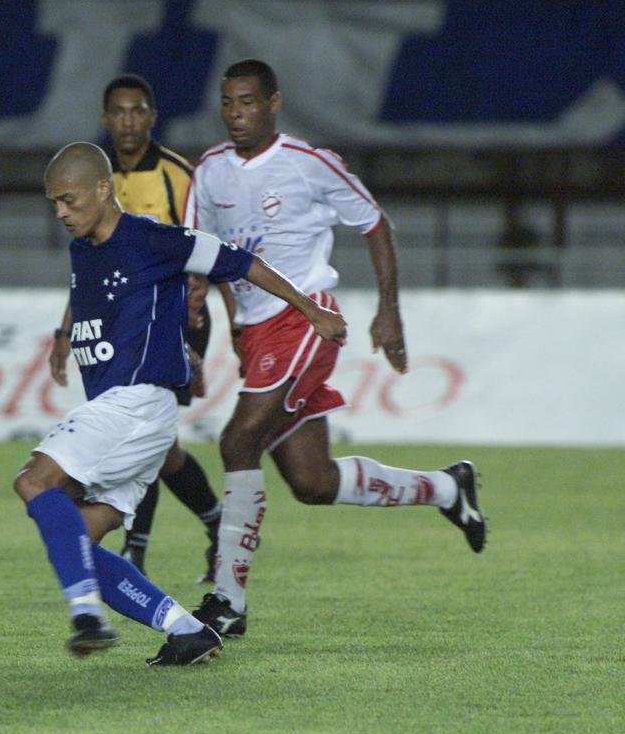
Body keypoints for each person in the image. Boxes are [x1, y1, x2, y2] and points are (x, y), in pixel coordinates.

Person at [184, 59, 488, 639]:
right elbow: (204, 251)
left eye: (247, 102)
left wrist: (388, 310)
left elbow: (374, 223)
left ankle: (227, 601)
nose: (235, 114)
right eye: (227, 103)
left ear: (273, 104)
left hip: (307, 319)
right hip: (258, 331)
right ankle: (448, 488)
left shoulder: (309, 164)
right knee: (313, 482)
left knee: (237, 440)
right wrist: (221, 314)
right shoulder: (211, 170)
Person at [13, 142, 346, 665]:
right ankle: (187, 631)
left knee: (34, 482)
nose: (60, 212)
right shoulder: (84, 249)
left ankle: (87, 616)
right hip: (131, 417)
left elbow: (240, 262)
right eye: (53, 202)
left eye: (69, 200)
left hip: (135, 405)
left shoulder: (153, 238)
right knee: (75, 543)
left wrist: (310, 310)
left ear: (103, 189)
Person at [49, 75, 222, 581]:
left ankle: (136, 550)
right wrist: (65, 332)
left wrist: (207, 318)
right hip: (114, 319)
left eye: (137, 111)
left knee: (142, 436)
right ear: (105, 119)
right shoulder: (91, 175)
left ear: (151, 117)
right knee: (159, 448)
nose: (127, 121)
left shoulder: (177, 174)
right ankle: (217, 525)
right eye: (118, 112)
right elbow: (95, 270)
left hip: (173, 317)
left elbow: (209, 248)